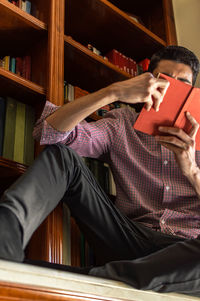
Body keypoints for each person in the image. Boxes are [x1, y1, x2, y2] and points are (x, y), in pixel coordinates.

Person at [0, 45, 200, 296]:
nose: (171, 91)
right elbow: (49, 133)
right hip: (125, 237)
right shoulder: (122, 123)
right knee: (62, 155)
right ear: (148, 82)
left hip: (185, 254)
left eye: (183, 84)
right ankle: (3, 247)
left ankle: (98, 279)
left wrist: (191, 170)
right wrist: (112, 91)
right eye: (165, 81)